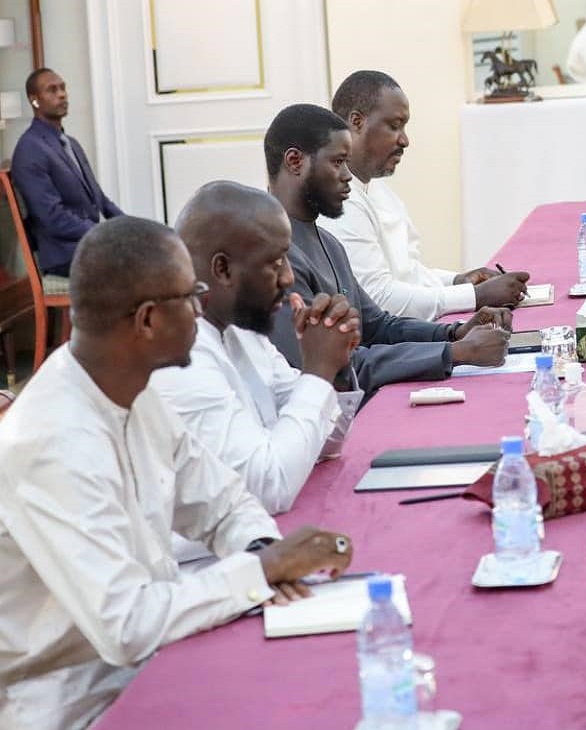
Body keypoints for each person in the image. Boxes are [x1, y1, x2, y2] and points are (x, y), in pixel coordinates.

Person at [0, 216, 354, 730]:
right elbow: (126, 624)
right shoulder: (52, 440)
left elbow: (221, 501)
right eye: (190, 297)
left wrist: (260, 552)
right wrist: (262, 570)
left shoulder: (132, 387)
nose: (199, 309)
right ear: (146, 320)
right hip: (74, 703)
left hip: (156, 652)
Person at [263, 104, 510, 399]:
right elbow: (335, 370)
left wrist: (454, 332)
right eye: (338, 162)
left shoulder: (328, 242)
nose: (347, 176)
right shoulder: (272, 257)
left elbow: (377, 326)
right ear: (295, 161)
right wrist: (454, 352)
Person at [150, 181, 360, 515]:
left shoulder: (242, 331)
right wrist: (317, 372)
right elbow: (269, 486)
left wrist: (336, 367)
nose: (289, 278)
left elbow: (327, 442)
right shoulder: (179, 358)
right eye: (276, 263)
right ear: (223, 269)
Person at [321, 71, 530, 320]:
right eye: (394, 126)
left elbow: (407, 273)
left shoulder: (378, 191)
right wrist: (475, 296)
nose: (405, 140)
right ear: (357, 122)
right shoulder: (341, 202)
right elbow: (378, 299)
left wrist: (458, 281)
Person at [10, 68, 123, 277]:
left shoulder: (71, 144)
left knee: (156, 247)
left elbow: (101, 201)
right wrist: (103, 234)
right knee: (142, 264)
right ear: (34, 100)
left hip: (87, 245)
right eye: (52, 90)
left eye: (62, 88)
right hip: (64, 256)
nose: (61, 94)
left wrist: (133, 228)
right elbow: (52, 217)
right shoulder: (30, 149)